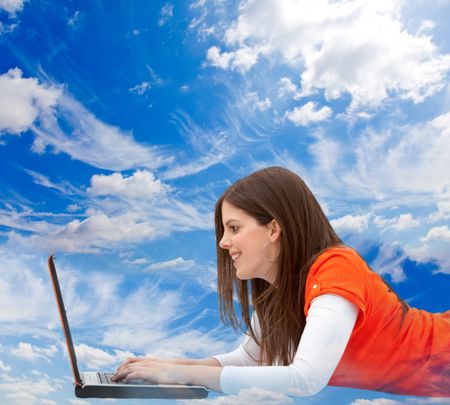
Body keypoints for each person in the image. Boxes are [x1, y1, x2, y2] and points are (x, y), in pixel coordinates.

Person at [112, 166, 450, 397]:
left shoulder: (336, 267)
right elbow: (248, 360)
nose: (223, 243)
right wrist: (163, 366)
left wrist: (183, 375)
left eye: (234, 228)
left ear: (274, 229)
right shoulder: (281, 292)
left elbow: (305, 378)